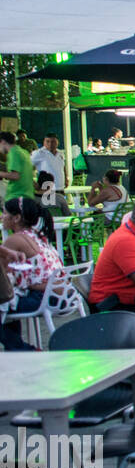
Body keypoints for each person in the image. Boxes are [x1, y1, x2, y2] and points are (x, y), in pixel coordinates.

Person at [0, 198, 63, 351]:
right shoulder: (38, 234)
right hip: (61, 295)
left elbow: (2, 273)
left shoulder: (15, 240)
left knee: (5, 301)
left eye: (4, 212)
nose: (2, 216)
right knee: (7, 301)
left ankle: (22, 350)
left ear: (16, 218)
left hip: (42, 298)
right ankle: (16, 349)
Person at [0, 131, 35, 201]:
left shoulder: (13, 153)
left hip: (16, 196)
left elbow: (16, 175)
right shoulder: (23, 152)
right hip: (27, 195)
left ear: (3, 142)